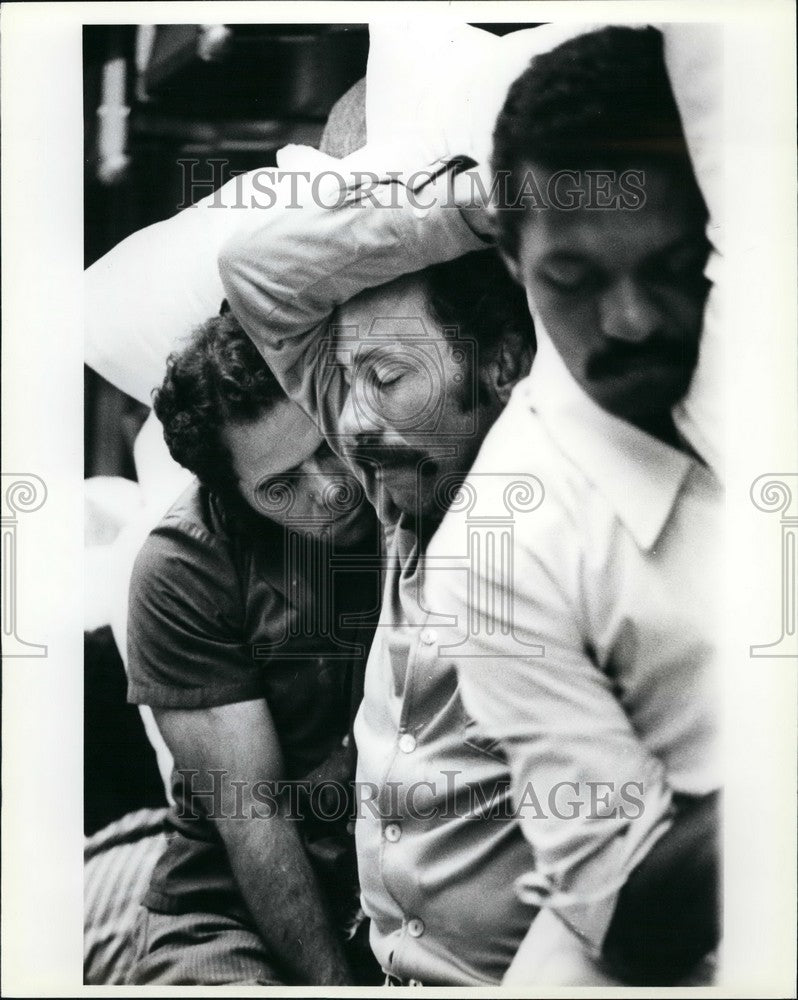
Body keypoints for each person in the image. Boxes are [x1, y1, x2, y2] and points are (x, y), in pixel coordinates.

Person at [426, 26, 721, 985]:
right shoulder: (504, 546)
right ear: (513, 259)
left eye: (677, 269)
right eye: (576, 280)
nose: (633, 320)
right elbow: (628, 908)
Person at [219, 152, 545, 984]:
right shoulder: (404, 481)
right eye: (348, 378)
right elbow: (253, 275)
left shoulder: (544, 493)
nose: (351, 422)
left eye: (388, 377)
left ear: (502, 366)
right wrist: (468, 207)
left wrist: (535, 214)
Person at [125, 309, 383, 986]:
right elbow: (253, 816)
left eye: (324, 445)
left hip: (402, 897)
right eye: (280, 486)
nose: (329, 488)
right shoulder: (183, 568)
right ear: (232, 497)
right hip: (232, 912)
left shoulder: (410, 475)